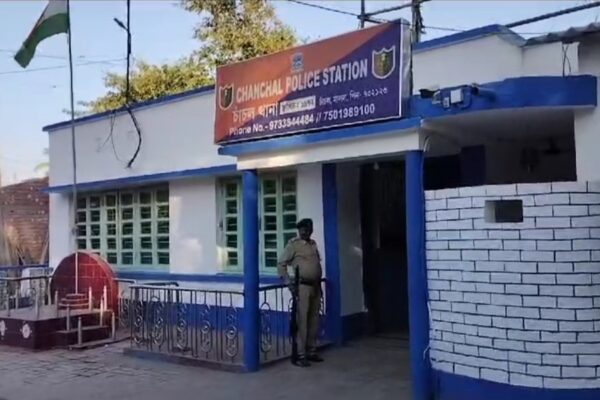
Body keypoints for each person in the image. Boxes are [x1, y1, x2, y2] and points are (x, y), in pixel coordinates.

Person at [277, 218, 324, 367]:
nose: (306, 231)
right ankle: (301, 354)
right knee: (302, 321)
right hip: (302, 286)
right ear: (299, 230)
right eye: (303, 229)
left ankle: (311, 350)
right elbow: (281, 264)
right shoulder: (294, 245)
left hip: (315, 286)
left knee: (314, 320)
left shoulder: (313, 244)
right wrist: (289, 283)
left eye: (308, 228)